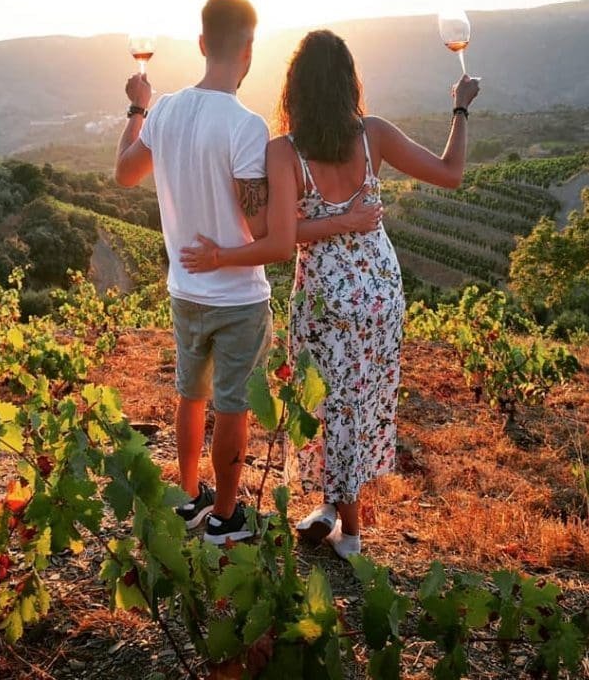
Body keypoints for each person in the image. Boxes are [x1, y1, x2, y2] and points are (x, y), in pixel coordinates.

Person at [180, 29, 479, 561]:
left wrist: (225, 253)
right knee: (357, 404)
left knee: (323, 403)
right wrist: (460, 111)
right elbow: (451, 174)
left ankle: (353, 534)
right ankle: (328, 506)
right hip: (381, 292)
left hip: (325, 298)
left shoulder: (284, 152)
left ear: (293, 89)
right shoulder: (374, 135)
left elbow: (282, 239)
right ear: (348, 83)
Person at [113, 0, 277, 545]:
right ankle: (227, 519)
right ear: (249, 50)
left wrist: (137, 107)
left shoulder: (164, 111)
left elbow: (125, 174)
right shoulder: (246, 125)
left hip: (184, 288)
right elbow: (259, 230)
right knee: (233, 405)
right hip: (237, 296)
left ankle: (189, 498)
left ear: (203, 43)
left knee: (191, 394)